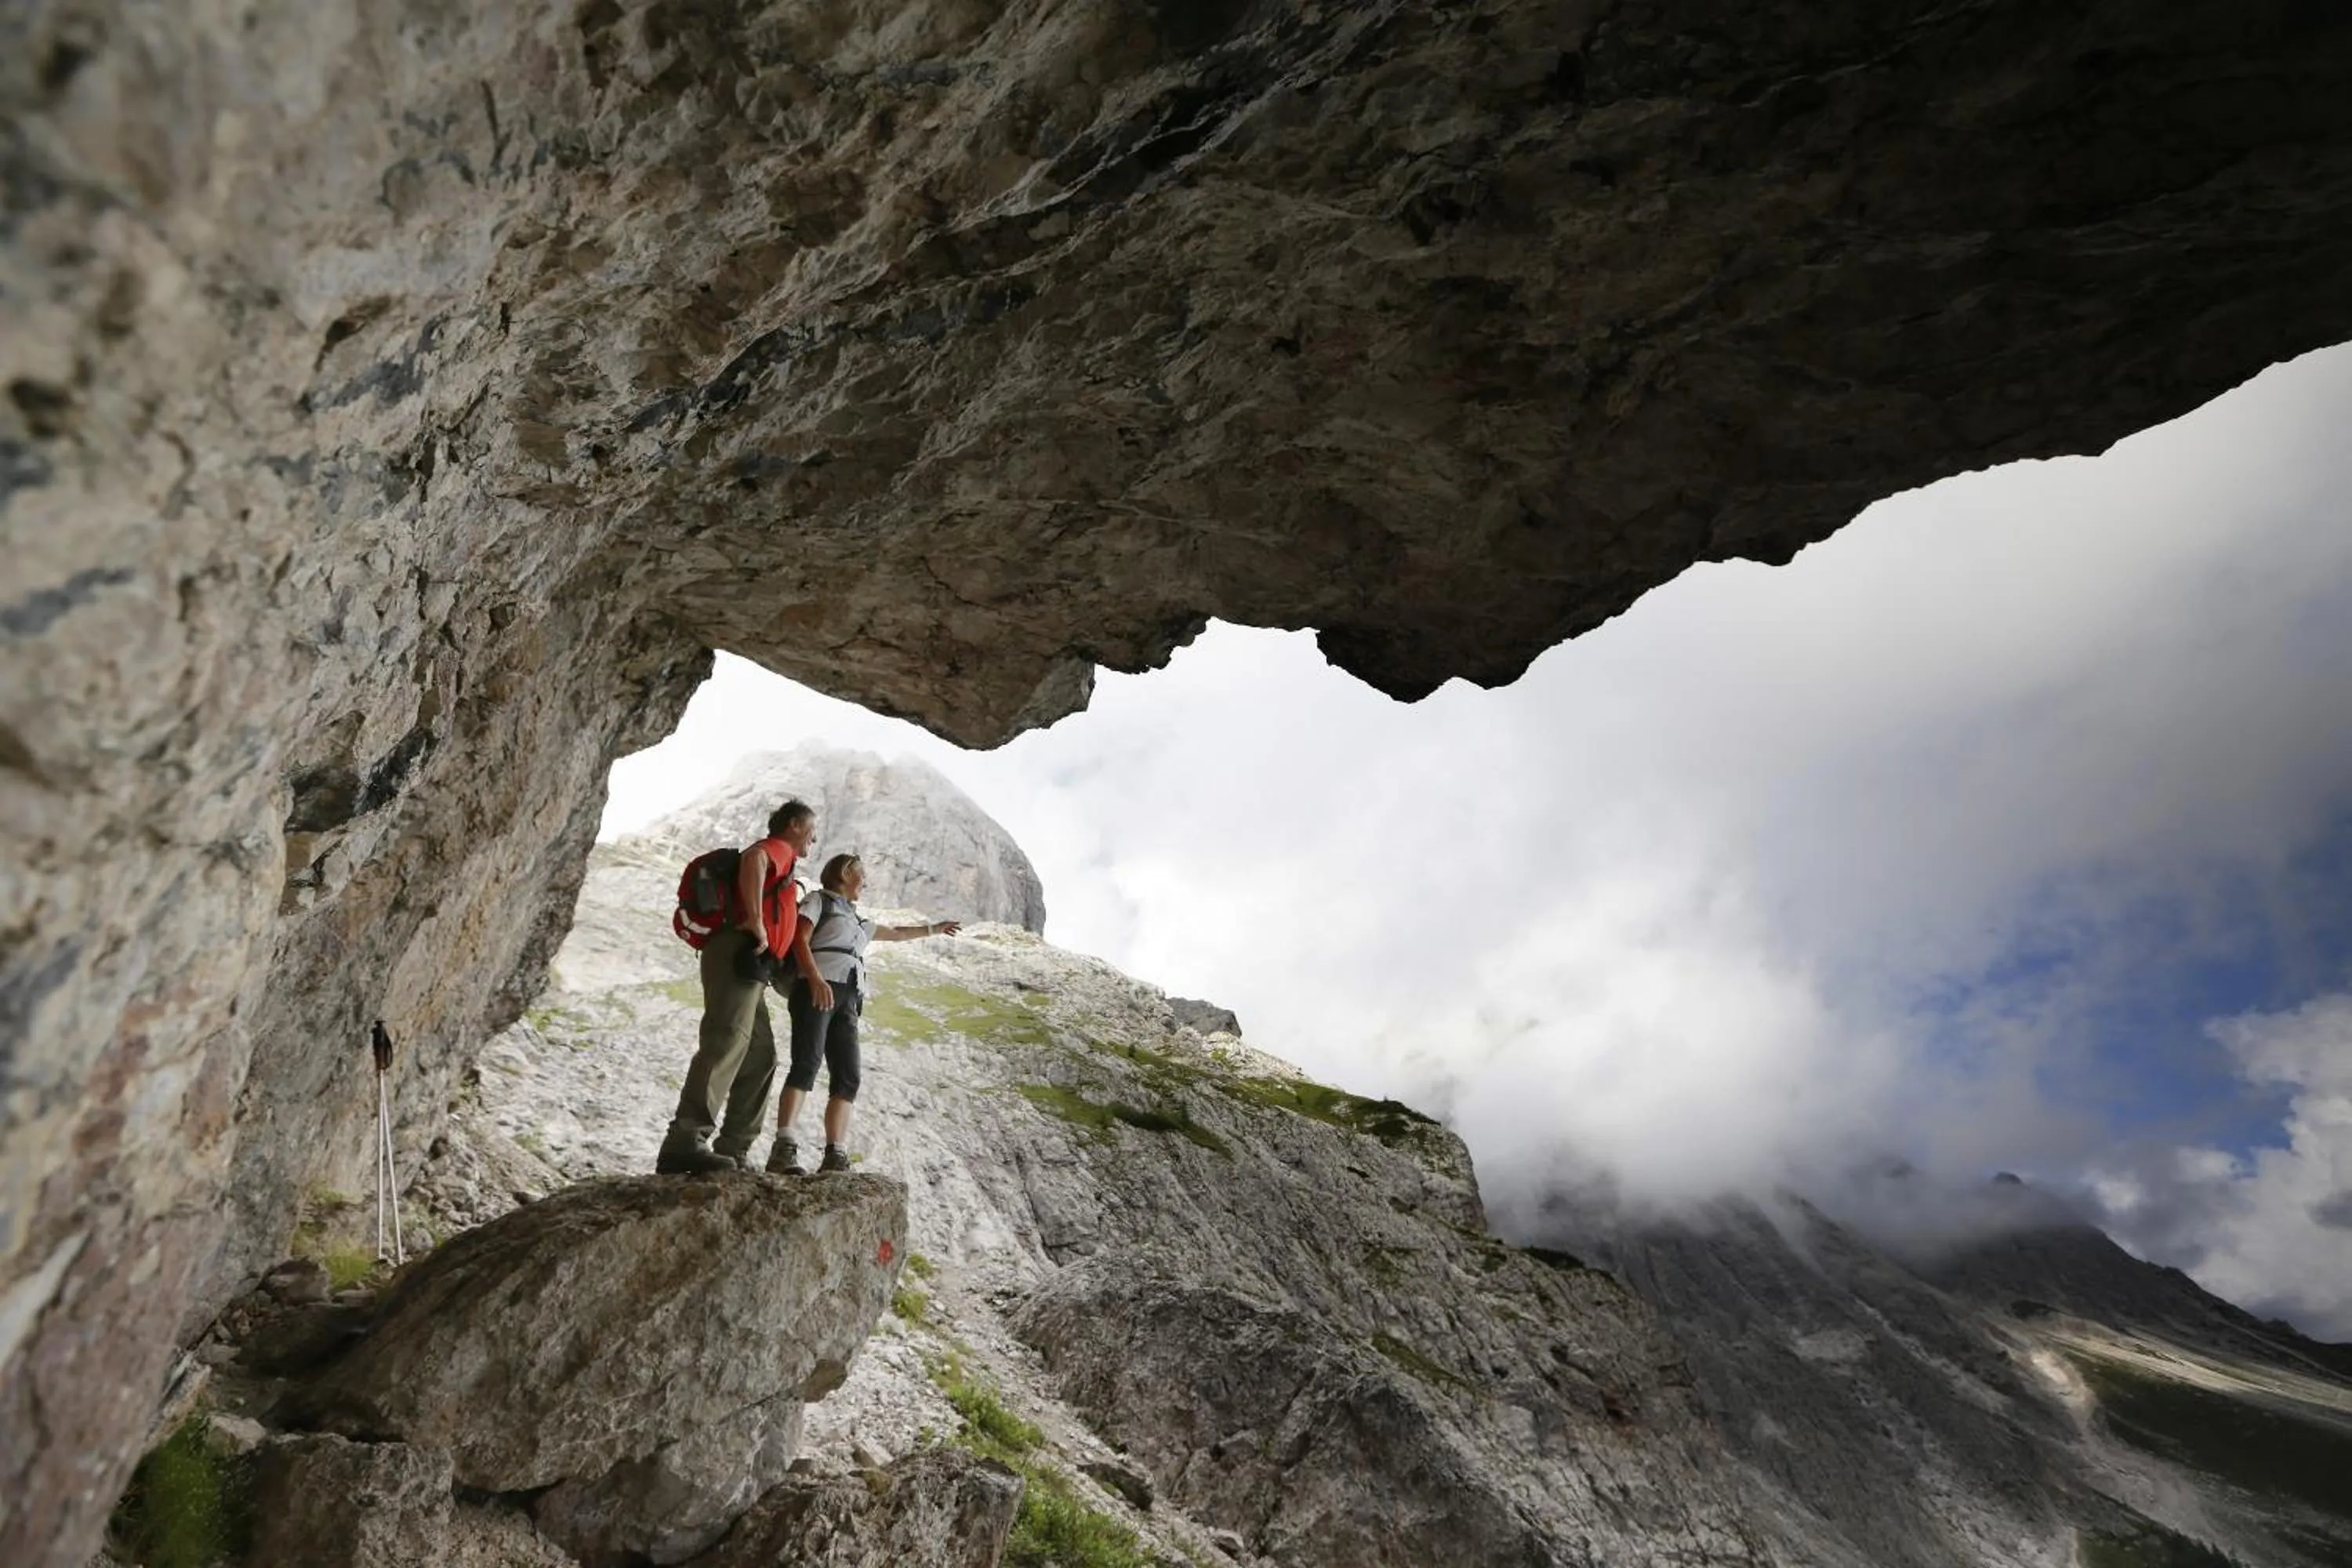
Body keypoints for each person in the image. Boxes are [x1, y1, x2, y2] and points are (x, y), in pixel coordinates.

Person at [765, 853, 960, 1174]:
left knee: (848, 1077)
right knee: (807, 1063)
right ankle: (783, 1149)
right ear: (844, 873)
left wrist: (935, 929)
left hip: (849, 997)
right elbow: (800, 939)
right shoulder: (819, 901)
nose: (865, 882)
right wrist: (813, 978)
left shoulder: (858, 921)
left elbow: (896, 933)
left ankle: (835, 1155)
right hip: (818, 985)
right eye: (861, 874)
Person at [658, 800, 823, 1174]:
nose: (815, 838)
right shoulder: (778, 848)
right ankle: (685, 1141)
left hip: (752, 966)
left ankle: (734, 1150)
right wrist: (755, 921)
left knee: (761, 1055)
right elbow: (755, 861)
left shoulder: (787, 862)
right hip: (737, 950)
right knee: (727, 1039)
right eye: (812, 829)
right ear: (795, 825)